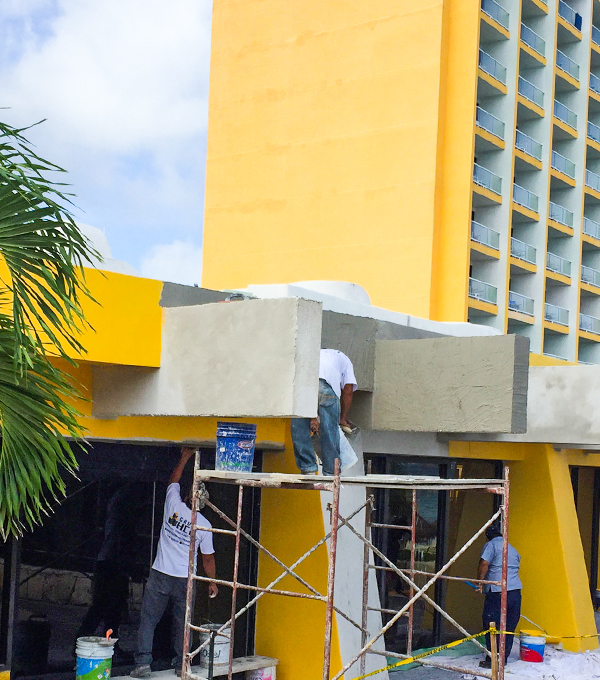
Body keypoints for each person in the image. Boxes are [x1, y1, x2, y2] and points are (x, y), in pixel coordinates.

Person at [131, 448, 218, 678]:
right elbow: (207, 558)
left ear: (189, 496)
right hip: (185, 580)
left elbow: (173, 480)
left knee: (149, 620)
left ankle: (142, 665)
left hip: (160, 574)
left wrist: (185, 457)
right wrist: (212, 582)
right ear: (205, 502)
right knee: (183, 624)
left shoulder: (173, 505)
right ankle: (182, 665)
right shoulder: (205, 525)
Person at [291, 348, 357, 476]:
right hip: (327, 387)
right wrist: (342, 418)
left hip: (303, 385)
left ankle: (307, 467)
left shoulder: (311, 352)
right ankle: (331, 471)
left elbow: (312, 388)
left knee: (299, 426)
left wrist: (312, 417)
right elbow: (348, 390)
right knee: (329, 431)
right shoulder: (343, 359)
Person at [477, 523, 522, 668]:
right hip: (515, 593)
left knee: (491, 624)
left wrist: (480, 582)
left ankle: (492, 660)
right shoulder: (513, 549)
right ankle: (503, 659)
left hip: (498, 592)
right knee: (508, 626)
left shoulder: (491, 545)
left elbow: (484, 563)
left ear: (488, 536)